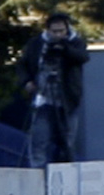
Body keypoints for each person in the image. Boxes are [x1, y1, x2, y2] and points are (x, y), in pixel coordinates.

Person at [20, 11, 88, 168]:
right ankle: (37, 173)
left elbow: (83, 57)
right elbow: (22, 64)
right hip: (43, 99)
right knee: (39, 139)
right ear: (48, 30)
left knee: (67, 142)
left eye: (61, 31)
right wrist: (27, 82)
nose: (58, 35)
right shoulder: (36, 44)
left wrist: (64, 48)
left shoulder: (75, 43)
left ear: (67, 29)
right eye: (54, 31)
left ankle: (64, 173)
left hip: (68, 101)